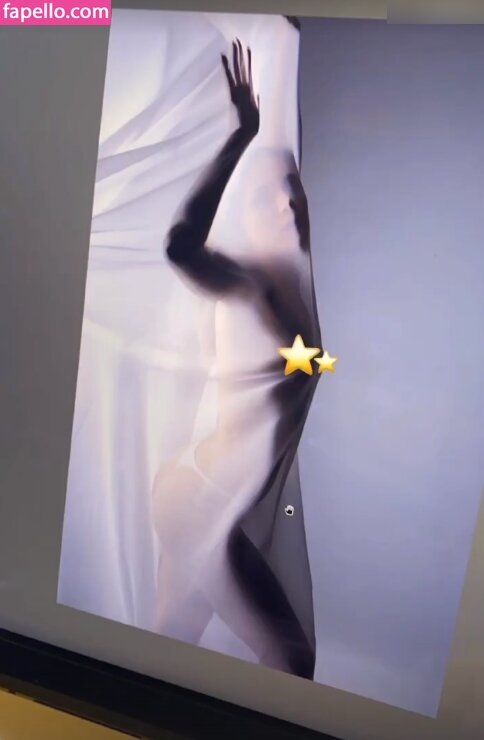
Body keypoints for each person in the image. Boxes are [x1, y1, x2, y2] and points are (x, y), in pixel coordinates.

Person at [152, 39, 322, 679]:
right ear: (245, 218)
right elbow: (179, 247)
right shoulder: (246, 282)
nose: (288, 204)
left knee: (166, 647)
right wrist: (241, 135)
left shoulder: (296, 291)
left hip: (204, 493)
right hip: (201, 497)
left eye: (294, 189)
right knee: (291, 658)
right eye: (267, 197)